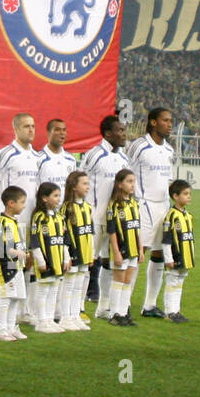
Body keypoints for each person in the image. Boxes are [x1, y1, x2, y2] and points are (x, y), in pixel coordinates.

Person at [0, 113, 42, 328]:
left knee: (27, 264)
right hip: (10, 220)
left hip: (29, 218)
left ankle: (22, 311)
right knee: (3, 263)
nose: (31, 130)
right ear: (16, 129)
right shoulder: (6, 154)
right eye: (26, 126)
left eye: (33, 126)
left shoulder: (37, 156)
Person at [126, 107, 175, 319]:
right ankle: (123, 303)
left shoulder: (169, 150)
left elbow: (169, 180)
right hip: (142, 205)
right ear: (153, 122)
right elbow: (125, 170)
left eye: (171, 121)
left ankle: (149, 305)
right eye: (165, 120)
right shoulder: (139, 146)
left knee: (160, 254)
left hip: (163, 206)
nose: (170, 124)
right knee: (137, 253)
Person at [82, 115, 131, 320]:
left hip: (114, 221)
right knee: (85, 263)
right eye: (119, 131)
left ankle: (103, 307)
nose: (123, 134)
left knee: (109, 264)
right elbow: (79, 181)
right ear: (108, 134)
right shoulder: (94, 155)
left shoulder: (123, 158)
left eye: (123, 130)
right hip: (93, 217)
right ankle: (77, 309)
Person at [28, 182, 70, 334]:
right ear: (45, 198)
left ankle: (50, 319)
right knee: (43, 290)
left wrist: (66, 258)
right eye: (55, 196)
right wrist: (40, 260)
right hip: (46, 260)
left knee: (53, 290)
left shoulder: (59, 217)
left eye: (60, 195)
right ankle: (41, 321)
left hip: (58, 260)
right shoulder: (39, 217)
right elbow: (35, 240)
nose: (59, 199)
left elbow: (64, 239)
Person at [105, 169, 142, 327]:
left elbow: (137, 228)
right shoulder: (114, 205)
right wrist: (116, 252)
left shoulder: (134, 203)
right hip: (121, 249)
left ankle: (124, 312)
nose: (132, 185)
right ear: (120, 185)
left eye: (133, 181)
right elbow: (111, 230)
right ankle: (114, 313)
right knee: (118, 280)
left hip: (133, 249)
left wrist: (140, 250)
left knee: (128, 281)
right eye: (129, 181)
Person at [0, 186, 28, 343]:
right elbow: (0, 248)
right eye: (22, 202)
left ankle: (11, 327)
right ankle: (0, 330)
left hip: (17, 266)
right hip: (6, 266)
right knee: (6, 298)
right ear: (11, 203)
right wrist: (17, 253)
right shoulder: (1, 223)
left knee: (16, 298)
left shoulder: (14, 222)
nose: (24, 205)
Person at [59, 171, 94, 331]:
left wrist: (91, 253)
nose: (88, 187)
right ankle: (65, 317)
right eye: (84, 184)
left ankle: (74, 315)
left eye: (88, 183)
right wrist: (66, 255)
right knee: (69, 284)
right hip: (73, 252)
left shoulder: (87, 207)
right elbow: (62, 234)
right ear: (74, 187)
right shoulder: (66, 208)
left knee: (79, 285)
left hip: (85, 253)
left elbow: (90, 232)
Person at [156, 178, 195, 323]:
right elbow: (166, 240)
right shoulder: (171, 216)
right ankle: (169, 312)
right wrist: (169, 259)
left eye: (189, 194)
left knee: (179, 284)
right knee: (172, 282)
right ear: (175, 196)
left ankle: (176, 310)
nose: (188, 196)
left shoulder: (188, 215)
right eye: (185, 194)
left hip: (186, 257)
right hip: (175, 256)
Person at [37, 119, 78, 204]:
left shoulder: (71, 159)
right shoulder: (38, 158)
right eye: (57, 130)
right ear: (48, 133)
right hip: (47, 213)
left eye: (64, 130)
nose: (62, 133)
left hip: (66, 212)